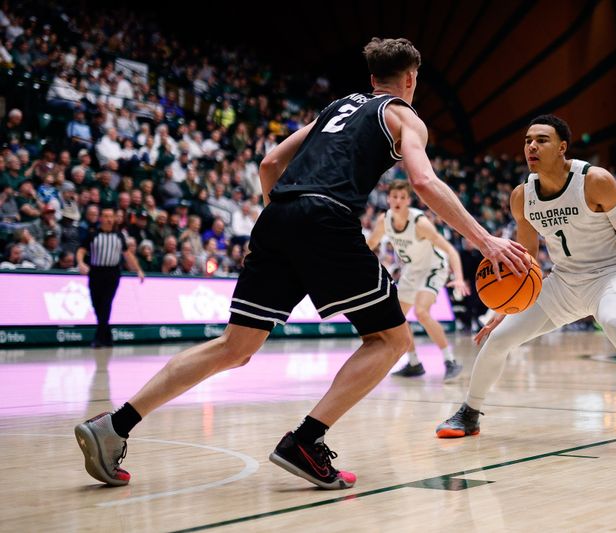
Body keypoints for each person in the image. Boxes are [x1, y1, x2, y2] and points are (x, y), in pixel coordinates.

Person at [75, 38, 528, 490]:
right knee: (390, 340)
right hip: (325, 217)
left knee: (234, 346)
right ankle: (306, 442)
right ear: (411, 78)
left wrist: (278, 223)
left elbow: (270, 162)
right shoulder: (402, 115)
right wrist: (486, 240)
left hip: (277, 216)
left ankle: (114, 425)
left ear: (371, 79)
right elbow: (422, 180)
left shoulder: (335, 108)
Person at [435, 115, 616, 459]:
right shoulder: (522, 196)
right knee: (499, 338)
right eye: (527, 140)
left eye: (541, 140)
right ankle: (469, 413)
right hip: (564, 281)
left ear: (563, 147)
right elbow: (526, 259)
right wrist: (506, 307)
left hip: (611, 275)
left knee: (615, 323)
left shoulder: (595, 181)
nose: (532, 146)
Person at [366, 180, 469, 382]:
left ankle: (450, 361)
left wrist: (458, 278)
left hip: (434, 267)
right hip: (413, 269)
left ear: (408, 200)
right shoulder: (383, 221)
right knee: (397, 318)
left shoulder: (419, 223)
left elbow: (450, 250)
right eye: (394, 197)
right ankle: (414, 363)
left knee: (422, 312)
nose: (397, 201)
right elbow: (370, 244)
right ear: (388, 198)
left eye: (402, 197)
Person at [76, 208, 144, 348]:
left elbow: (127, 255)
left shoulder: (119, 236)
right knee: (96, 305)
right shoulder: (93, 234)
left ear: (114, 219)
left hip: (112, 273)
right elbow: (81, 250)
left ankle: (99, 338)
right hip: (95, 272)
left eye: (111, 216)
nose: (108, 219)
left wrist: (138, 269)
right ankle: (107, 335)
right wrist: (81, 263)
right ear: (101, 218)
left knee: (106, 303)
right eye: (105, 216)